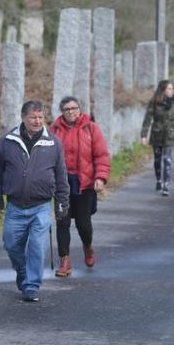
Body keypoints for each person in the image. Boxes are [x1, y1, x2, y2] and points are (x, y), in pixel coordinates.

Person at [0, 100, 70, 302]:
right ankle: (23, 273)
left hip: (41, 206)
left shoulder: (53, 143)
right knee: (11, 244)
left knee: (37, 246)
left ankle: (32, 286)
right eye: (33, 117)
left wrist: (61, 202)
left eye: (41, 117)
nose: (37, 121)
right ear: (23, 118)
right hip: (15, 206)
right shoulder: (7, 141)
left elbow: (61, 176)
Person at [49, 96, 109, 278]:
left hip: (85, 184)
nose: (71, 112)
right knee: (62, 222)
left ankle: (88, 247)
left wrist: (100, 177)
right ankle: (64, 262)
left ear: (80, 109)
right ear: (62, 112)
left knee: (83, 224)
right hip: (62, 185)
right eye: (67, 109)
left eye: (74, 108)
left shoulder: (91, 128)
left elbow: (101, 155)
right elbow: (46, 156)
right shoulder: (54, 130)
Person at [140, 80, 174, 196]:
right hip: (157, 134)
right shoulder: (154, 102)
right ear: (163, 90)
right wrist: (143, 135)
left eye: (172, 89)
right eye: (169, 89)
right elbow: (147, 119)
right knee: (157, 160)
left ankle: (166, 185)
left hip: (170, 135)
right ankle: (159, 180)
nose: (171, 91)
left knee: (167, 160)